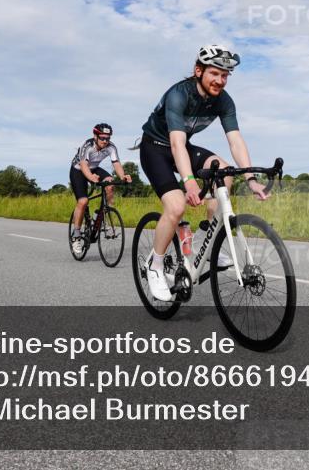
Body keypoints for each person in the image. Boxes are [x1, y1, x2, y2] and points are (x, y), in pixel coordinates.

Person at [139, 44, 268, 301]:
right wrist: (188, 182)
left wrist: (251, 180)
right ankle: (154, 266)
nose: (220, 80)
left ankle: (205, 243)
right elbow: (176, 143)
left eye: (225, 75)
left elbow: (235, 140)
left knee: (226, 172)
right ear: (198, 71)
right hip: (155, 148)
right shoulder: (179, 95)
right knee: (176, 207)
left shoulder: (223, 101)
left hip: (182, 146)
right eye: (214, 73)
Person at [69, 123, 132, 253]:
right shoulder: (87, 145)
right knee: (83, 201)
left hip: (94, 168)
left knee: (110, 184)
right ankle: (76, 236)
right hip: (79, 170)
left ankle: (100, 214)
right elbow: (84, 165)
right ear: (95, 136)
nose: (105, 141)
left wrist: (123, 176)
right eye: (102, 138)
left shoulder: (111, 147)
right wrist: (91, 178)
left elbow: (116, 164)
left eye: (107, 138)